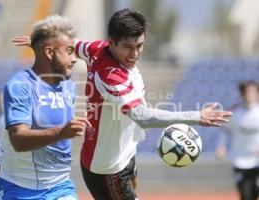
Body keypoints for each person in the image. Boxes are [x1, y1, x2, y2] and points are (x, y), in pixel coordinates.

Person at [13, 9, 232, 200]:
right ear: (112, 41)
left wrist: (45, 42)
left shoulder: (97, 48)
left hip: (124, 154)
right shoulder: (111, 76)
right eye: (128, 47)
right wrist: (196, 117)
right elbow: (142, 117)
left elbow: (75, 45)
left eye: (140, 45)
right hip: (107, 169)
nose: (134, 54)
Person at [0, 15, 90, 200]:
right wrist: (61, 132)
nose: (75, 58)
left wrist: (42, 45)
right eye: (69, 51)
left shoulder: (68, 85)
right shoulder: (20, 85)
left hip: (60, 187)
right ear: (49, 53)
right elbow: (18, 140)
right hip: (18, 188)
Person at [216, 81, 259, 200]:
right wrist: (221, 146)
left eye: (253, 92)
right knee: (245, 195)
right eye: (247, 92)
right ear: (242, 94)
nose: (250, 95)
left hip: (257, 162)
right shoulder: (234, 112)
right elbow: (224, 130)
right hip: (240, 160)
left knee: (255, 193)